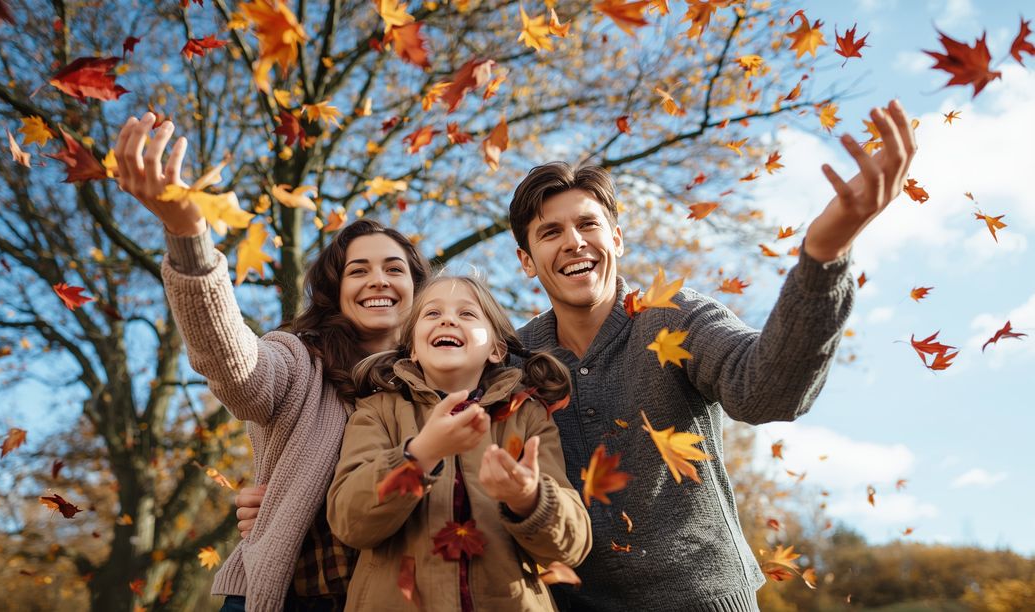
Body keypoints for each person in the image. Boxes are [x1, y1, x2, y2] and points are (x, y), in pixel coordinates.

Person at [237, 100, 917, 611]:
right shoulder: (513, 361)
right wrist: (289, 496)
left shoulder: (672, 318)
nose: (574, 243)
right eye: (550, 232)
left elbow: (768, 392)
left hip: (695, 596)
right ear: (527, 261)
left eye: (589, 224)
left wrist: (823, 260)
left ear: (616, 236)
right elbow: (412, 425)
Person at [113, 113, 431, 612]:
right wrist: (188, 237)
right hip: (292, 596)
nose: (378, 280)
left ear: (416, 288)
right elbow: (234, 364)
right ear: (335, 290)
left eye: (395, 269)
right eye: (358, 270)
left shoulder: (440, 377)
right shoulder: (300, 360)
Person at [326, 276, 592, 611]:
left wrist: (528, 499)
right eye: (432, 314)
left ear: (496, 349)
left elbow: (572, 547)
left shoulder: (527, 417)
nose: (448, 320)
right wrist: (420, 454)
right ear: (412, 349)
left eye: (467, 314)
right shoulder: (377, 413)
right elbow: (350, 522)